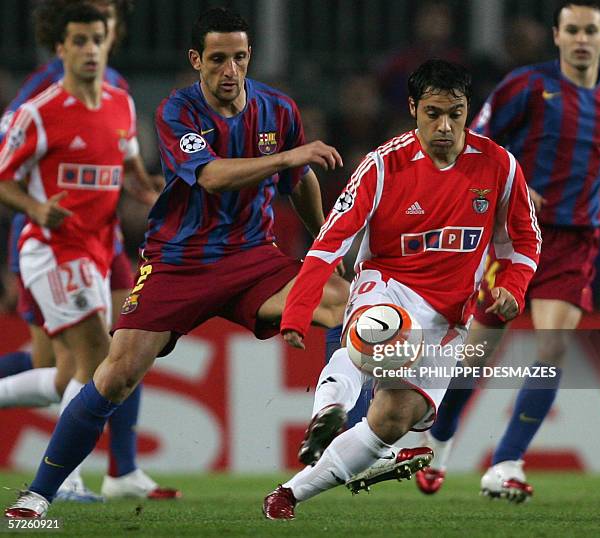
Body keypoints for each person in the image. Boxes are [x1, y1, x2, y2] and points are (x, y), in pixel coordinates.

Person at [3, 6, 348, 518]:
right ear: (196, 60)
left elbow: (300, 180)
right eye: (217, 59)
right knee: (115, 373)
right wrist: (285, 159)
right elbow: (209, 176)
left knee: (345, 304)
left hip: (254, 258)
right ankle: (38, 495)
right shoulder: (176, 111)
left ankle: (332, 415)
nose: (229, 71)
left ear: (249, 56)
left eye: (239, 58)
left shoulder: (278, 110)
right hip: (180, 263)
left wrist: (322, 241)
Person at [262, 58, 541, 520]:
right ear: (412, 108)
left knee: (394, 420)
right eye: (433, 113)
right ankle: (329, 410)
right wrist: (298, 309)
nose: (446, 126)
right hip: (387, 285)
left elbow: (525, 240)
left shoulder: (499, 166)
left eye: (456, 113)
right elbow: (331, 241)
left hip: (450, 317)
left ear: (468, 109)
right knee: (383, 331)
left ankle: (288, 495)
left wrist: (513, 283)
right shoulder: (382, 166)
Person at [414, 0, 600, 502]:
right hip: (514, 234)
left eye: (591, 30)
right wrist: (517, 184)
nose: (582, 38)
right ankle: (439, 436)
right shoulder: (526, 86)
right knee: (477, 355)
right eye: (573, 30)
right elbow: (471, 141)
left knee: (552, 348)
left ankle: (506, 462)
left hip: (574, 241)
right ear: (557, 36)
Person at [0, 0, 176, 503]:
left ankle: (114, 472)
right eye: (79, 40)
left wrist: (146, 188)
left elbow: (127, 163)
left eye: (97, 39)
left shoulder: (121, 102)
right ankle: (68, 482)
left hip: (99, 248)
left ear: (109, 40)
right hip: (53, 250)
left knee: (64, 375)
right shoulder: (39, 109)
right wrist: (36, 207)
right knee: (100, 356)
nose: (89, 49)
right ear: (61, 47)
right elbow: (3, 176)